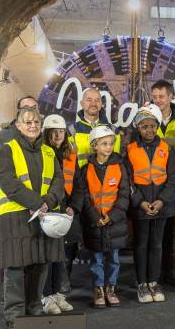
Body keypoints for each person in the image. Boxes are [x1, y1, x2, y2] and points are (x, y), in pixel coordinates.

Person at [0, 107, 65, 327]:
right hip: (16, 217)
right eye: (27, 122)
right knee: (15, 268)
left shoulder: (49, 152)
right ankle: (15, 317)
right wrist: (38, 203)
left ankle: (34, 310)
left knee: (40, 264)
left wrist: (48, 202)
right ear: (18, 126)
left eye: (36, 121)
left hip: (43, 217)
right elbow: (8, 183)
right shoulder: (8, 150)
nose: (33, 125)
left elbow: (58, 182)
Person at [125, 103, 175, 304]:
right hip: (140, 207)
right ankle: (142, 284)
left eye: (152, 125)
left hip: (161, 206)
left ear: (157, 126)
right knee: (141, 245)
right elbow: (128, 181)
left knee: (157, 245)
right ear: (138, 128)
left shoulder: (167, 149)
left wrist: (160, 201)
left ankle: (154, 282)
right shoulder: (130, 150)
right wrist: (140, 203)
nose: (149, 130)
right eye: (144, 126)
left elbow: (173, 179)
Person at [79, 125, 130, 308]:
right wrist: (94, 217)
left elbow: (124, 195)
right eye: (104, 144)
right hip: (95, 223)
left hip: (114, 223)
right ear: (94, 146)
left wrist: (112, 215)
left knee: (114, 259)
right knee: (97, 259)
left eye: (110, 143)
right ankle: (98, 288)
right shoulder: (85, 170)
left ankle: (111, 288)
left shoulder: (120, 167)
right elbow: (83, 196)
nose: (108, 147)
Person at [40, 114, 82, 314]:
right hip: (48, 210)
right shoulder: (40, 153)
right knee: (48, 256)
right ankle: (46, 296)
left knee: (63, 256)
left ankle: (58, 293)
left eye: (61, 132)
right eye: (53, 132)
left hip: (66, 212)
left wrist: (73, 205)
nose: (58, 135)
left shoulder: (71, 155)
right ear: (46, 133)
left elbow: (79, 185)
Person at [150, 79, 175, 286]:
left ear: (171, 97)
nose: (158, 101)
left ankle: (168, 271)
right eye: (154, 97)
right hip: (150, 182)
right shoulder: (147, 118)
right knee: (153, 232)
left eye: (161, 97)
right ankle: (152, 274)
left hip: (173, 182)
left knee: (170, 231)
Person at [0, 95, 38, 190]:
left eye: (34, 108)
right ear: (19, 111)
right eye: (26, 107)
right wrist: (9, 193)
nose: (31, 111)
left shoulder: (41, 137)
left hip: (40, 200)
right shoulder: (4, 136)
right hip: (14, 200)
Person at [71, 88, 121, 168]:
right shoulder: (72, 131)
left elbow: (116, 163)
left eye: (97, 100)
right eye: (89, 100)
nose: (93, 104)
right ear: (82, 103)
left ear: (101, 104)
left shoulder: (114, 131)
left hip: (105, 179)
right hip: (79, 179)